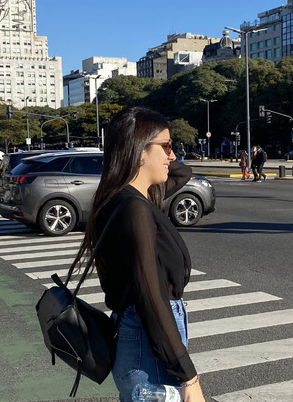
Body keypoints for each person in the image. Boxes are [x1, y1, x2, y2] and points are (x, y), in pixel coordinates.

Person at [69, 107, 205, 402]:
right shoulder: (134, 210)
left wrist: (159, 150)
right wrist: (190, 379)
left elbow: (184, 172)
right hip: (149, 349)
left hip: (143, 345)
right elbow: (152, 298)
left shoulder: (125, 198)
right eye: (167, 146)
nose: (173, 156)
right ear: (139, 151)